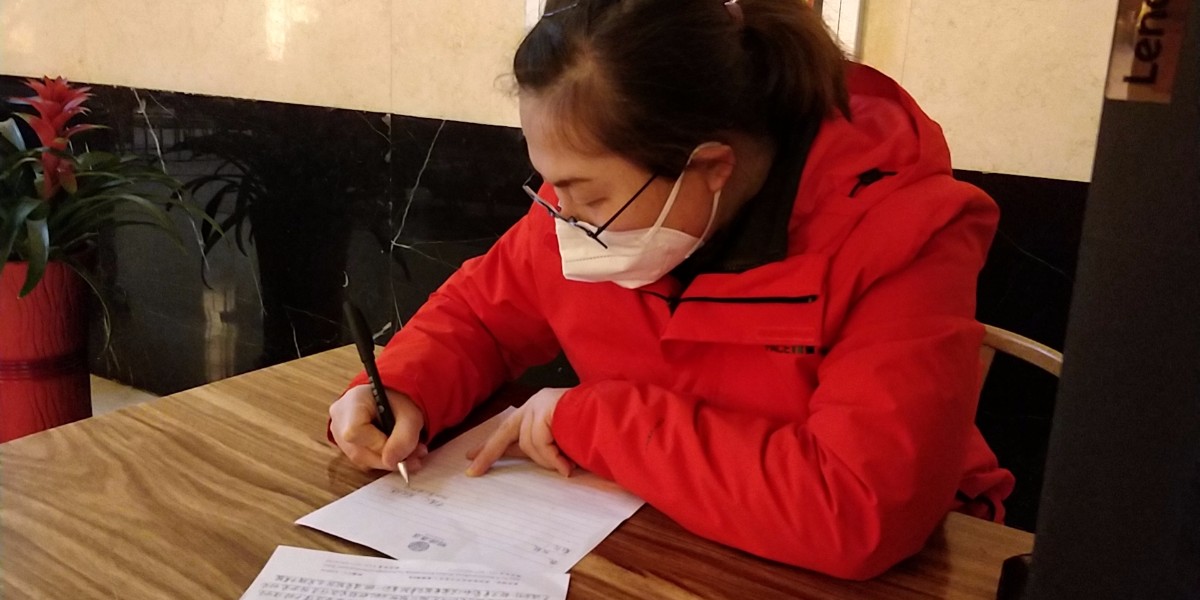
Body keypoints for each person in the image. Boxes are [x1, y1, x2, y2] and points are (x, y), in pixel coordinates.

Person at [328, 0, 1015, 580]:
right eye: (552, 186)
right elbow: (481, 314)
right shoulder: (591, 208)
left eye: (587, 193)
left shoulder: (904, 233)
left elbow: (859, 510)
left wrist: (592, 420)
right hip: (655, 538)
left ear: (711, 167)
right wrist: (403, 389)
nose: (563, 216)